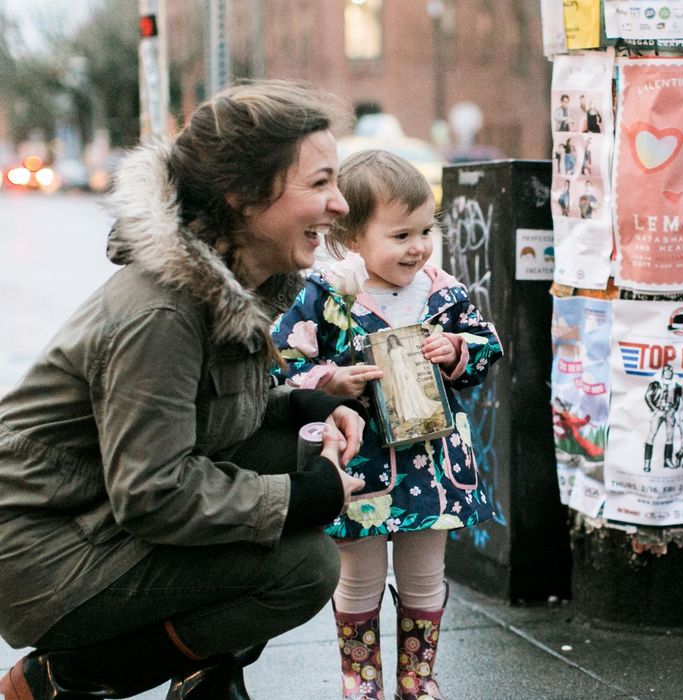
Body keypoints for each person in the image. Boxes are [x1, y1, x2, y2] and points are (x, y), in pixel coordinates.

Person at [0, 81, 369, 699]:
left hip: (94, 520)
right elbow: (153, 492)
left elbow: (204, 416)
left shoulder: (232, 282)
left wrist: (305, 405)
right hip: (40, 557)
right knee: (304, 568)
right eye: (320, 183)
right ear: (242, 196)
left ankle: (206, 680)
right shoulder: (164, 313)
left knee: (292, 451)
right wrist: (301, 498)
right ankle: (63, 680)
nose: (340, 203)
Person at [270, 149, 503, 700]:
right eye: (400, 235)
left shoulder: (442, 291)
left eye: (425, 231)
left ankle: (417, 680)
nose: (417, 247)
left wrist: (458, 349)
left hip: (433, 465)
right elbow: (284, 361)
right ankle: (362, 682)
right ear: (351, 237)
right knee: (359, 576)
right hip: (361, 463)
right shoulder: (325, 296)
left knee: (425, 573)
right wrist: (330, 381)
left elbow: (486, 344)